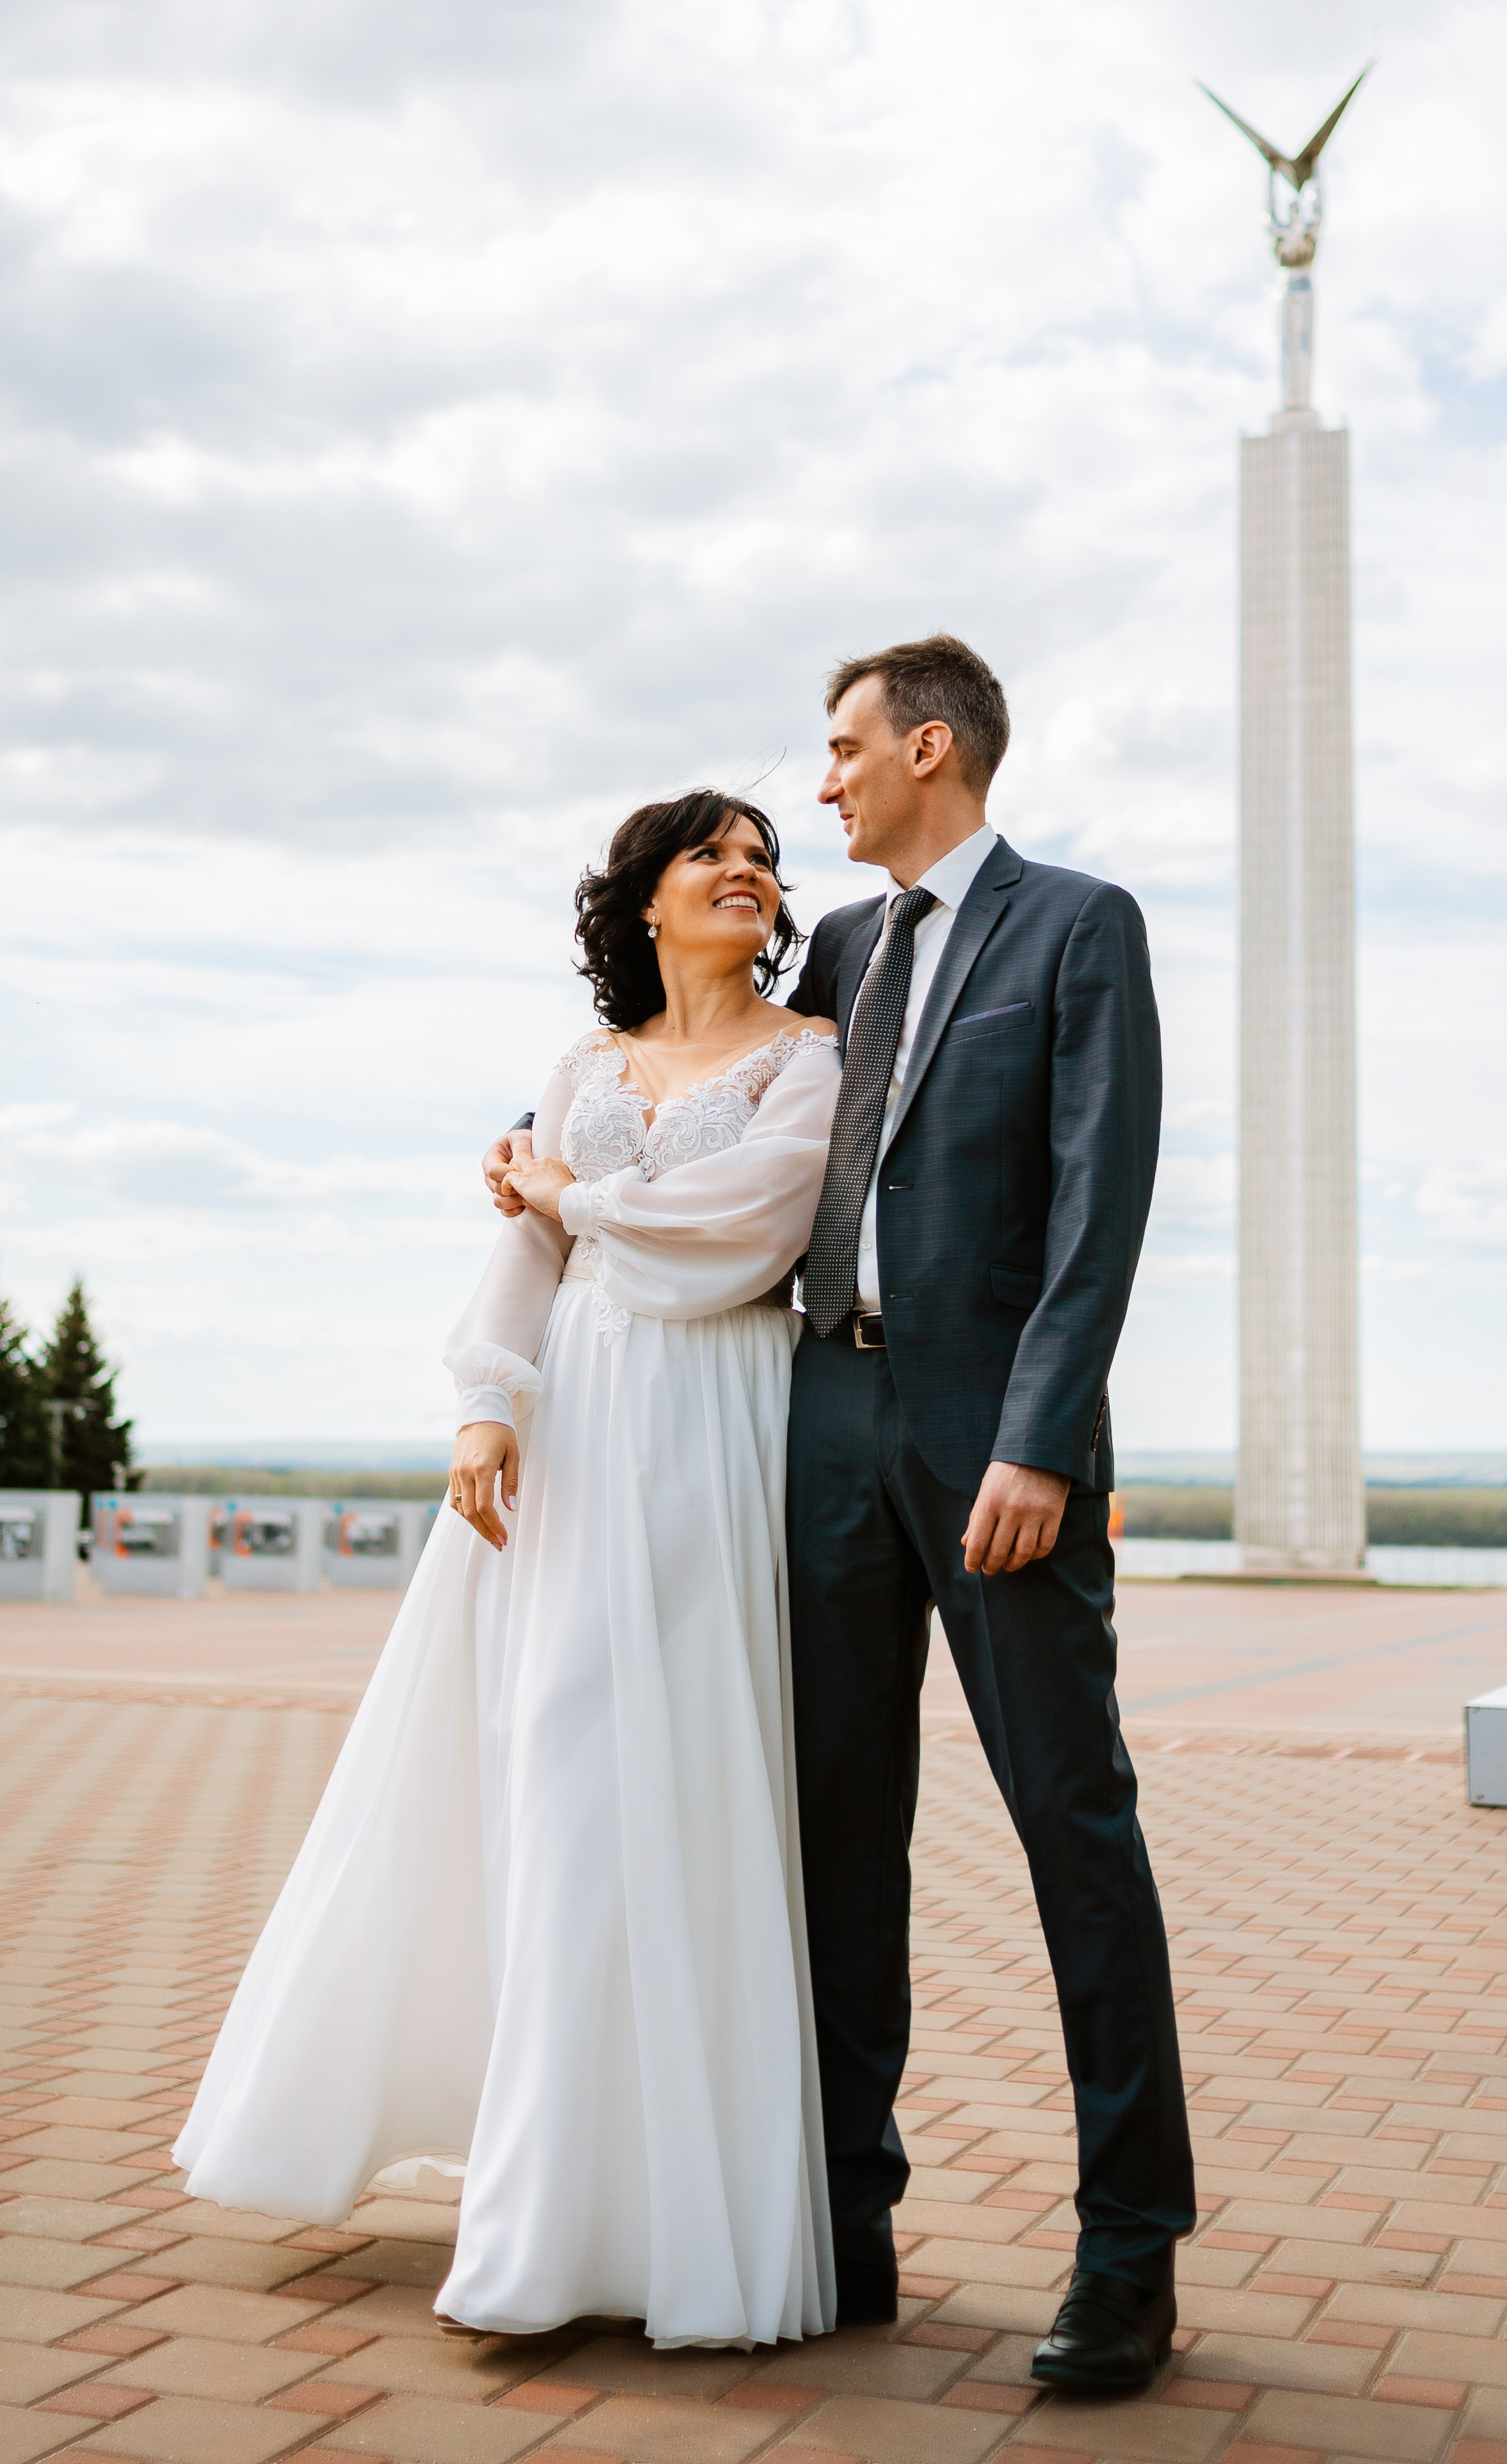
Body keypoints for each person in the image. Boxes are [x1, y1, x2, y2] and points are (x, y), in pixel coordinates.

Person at [487, 631, 1194, 2391]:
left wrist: (1039, 1441)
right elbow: (674, 1085)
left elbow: (1102, 1201)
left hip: (995, 1445)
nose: (821, 786)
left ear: (933, 751)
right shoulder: (847, 949)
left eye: (844, 749)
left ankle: (1128, 2253)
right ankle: (845, 2216)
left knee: (1072, 1820)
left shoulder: (1076, 927)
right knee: (829, 1830)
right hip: (820, 1419)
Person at [176, 789, 842, 2351]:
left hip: (715, 1421)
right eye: (711, 856)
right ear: (645, 901)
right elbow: (527, 1255)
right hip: (573, 1432)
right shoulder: (580, 1070)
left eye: (763, 857)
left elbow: (743, 1229)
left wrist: (571, 1194)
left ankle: (660, 2223)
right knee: (543, 1769)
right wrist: (487, 1402)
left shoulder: (809, 1059)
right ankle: (538, 2200)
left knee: (671, 1786)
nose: (746, 873)